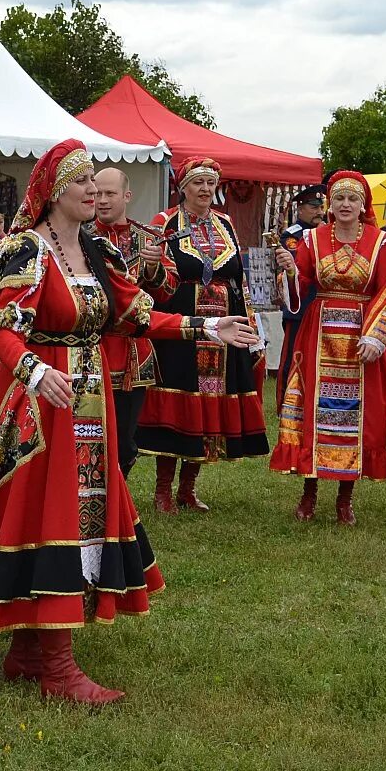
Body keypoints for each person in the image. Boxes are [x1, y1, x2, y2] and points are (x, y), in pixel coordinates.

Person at [0, 139, 259, 704]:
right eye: (83, 184)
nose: (93, 193)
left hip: (89, 399)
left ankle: (28, 652)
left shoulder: (97, 252)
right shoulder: (26, 250)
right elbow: (2, 326)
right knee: (46, 516)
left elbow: (135, 313)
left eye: (98, 186)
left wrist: (207, 328)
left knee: (81, 512)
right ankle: (56, 664)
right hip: (37, 401)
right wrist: (30, 371)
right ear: (54, 191)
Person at [270, 170, 386, 524]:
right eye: (338, 199)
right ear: (328, 204)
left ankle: (345, 498)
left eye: (352, 199)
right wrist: (288, 273)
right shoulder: (312, 240)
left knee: (358, 416)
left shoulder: (384, 243)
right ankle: (309, 492)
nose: (345, 204)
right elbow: (301, 287)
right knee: (314, 412)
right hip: (318, 335)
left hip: (361, 337)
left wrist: (376, 335)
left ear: (363, 204)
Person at [136, 155, 269, 514]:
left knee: (208, 402)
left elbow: (239, 278)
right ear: (182, 186)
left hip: (223, 329)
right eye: (198, 182)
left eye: (211, 183)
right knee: (181, 399)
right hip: (182, 326)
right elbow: (158, 286)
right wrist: (149, 264)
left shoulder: (225, 223)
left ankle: (188, 488)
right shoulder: (164, 222)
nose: (206, 190)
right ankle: (163, 489)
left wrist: (250, 324)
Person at [92, 166, 167, 478]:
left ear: (127, 196)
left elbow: (168, 291)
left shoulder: (149, 239)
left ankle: (117, 500)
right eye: (97, 193)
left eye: (110, 193)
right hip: (90, 346)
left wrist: (152, 270)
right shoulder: (79, 236)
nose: (103, 200)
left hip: (133, 353)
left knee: (124, 438)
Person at [275, 183, 327, 408]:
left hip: (323, 306)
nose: (319, 212)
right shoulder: (293, 236)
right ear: (301, 208)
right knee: (292, 358)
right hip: (301, 305)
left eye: (321, 206)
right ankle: (287, 402)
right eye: (313, 207)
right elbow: (299, 269)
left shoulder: (328, 232)